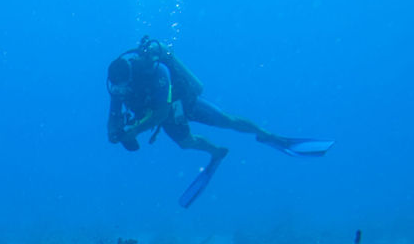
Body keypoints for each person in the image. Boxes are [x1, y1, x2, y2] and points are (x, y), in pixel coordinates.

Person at [106, 36, 333, 207]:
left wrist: (134, 131)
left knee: (226, 120)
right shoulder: (118, 87)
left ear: (132, 76)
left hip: (182, 101)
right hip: (160, 115)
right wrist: (115, 133)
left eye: (123, 86)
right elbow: (113, 116)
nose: (119, 91)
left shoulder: (157, 73)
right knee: (186, 143)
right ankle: (216, 152)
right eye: (116, 87)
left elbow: (160, 114)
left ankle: (267, 134)